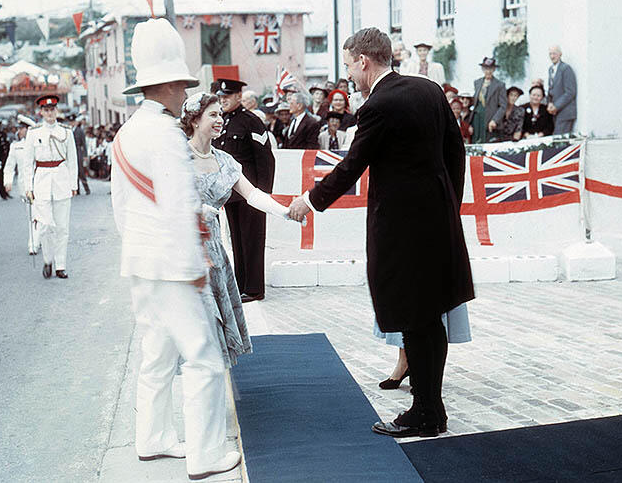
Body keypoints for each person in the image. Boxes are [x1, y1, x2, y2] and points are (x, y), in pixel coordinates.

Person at [288, 28, 474, 438]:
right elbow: (455, 153)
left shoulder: (377, 106)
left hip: (403, 231)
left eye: (349, 65)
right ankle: (432, 409)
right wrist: (447, 203)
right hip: (438, 223)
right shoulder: (429, 91)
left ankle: (425, 413)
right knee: (430, 318)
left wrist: (309, 201)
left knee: (413, 318)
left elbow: (351, 166)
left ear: (364, 61)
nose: (350, 75)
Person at [111, 17, 242, 480]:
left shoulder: (126, 132)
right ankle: (205, 456)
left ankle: (154, 437)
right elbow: (178, 206)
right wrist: (195, 267)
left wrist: (139, 252)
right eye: (182, 84)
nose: (185, 92)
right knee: (203, 358)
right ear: (168, 83)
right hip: (173, 263)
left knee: (158, 353)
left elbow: (121, 208)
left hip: (141, 262)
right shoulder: (166, 134)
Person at [182, 92, 295, 366]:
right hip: (185, 251)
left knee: (214, 333)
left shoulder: (225, 160)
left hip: (214, 252)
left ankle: (215, 390)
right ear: (195, 120)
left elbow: (253, 194)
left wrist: (286, 211)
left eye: (221, 113)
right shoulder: (178, 157)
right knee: (197, 329)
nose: (220, 119)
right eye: (212, 114)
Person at [210, 78, 275, 303]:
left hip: (251, 193)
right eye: (220, 97)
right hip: (231, 194)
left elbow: (266, 158)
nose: (223, 101)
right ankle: (241, 284)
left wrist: (263, 193)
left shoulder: (252, 122)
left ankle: (255, 288)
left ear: (239, 96)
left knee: (252, 240)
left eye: (227, 96)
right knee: (237, 240)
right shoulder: (222, 122)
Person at [22, 94, 78, 279]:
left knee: (62, 227)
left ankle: (60, 265)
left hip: (61, 180)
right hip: (42, 182)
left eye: (52, 109)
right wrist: (28, 187)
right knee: (45, 225)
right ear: (41, 112)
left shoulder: (66, 132)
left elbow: (72, 160)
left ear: (56, 110)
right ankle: (48, 260)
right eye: (46, 110)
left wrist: (73, 183)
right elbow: (27, 163)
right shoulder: (34, 132)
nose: (49, 113)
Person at [3, 115, 38, 255]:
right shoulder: (16, 146)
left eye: (22, 128)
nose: (19, 131)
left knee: (40, 214)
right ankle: (33, 242)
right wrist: (8, 181)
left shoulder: (38, 144)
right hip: (25, 186)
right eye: (19, 129)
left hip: (40, 183)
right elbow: (10, 165)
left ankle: (37, 239)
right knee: (31, 214)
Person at [471, 57, 507, 144]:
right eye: (486, 68)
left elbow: (503, 106)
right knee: (476, 140)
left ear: (494, 69)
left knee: (486, 142)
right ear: (483, 69)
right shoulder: (477, 82)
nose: (488, 71)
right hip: (477, 117)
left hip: (489, 118)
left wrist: (495, 120)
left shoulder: (499, 85)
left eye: (490, 69)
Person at [546, 45, 577, 135]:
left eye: (554, 53)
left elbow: (570, 92)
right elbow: (551, 90)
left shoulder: (566, 69)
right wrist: (550, 103)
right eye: (550, 54)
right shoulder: (551, 69)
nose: (552, 56)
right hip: (556, 113)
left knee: (560, 141)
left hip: (566, 113)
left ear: (560, 54)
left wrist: (556, 106)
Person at [72, 118, 92, 195]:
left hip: (78, 151)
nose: (73, 123)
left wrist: (85, 155)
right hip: (72, 152)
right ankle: (77, 190)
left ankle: (87, 189)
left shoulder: (80, 131)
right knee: (74, 171)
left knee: (81, 171)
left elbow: (84, 143)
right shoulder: (70, 130)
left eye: (74, 121)